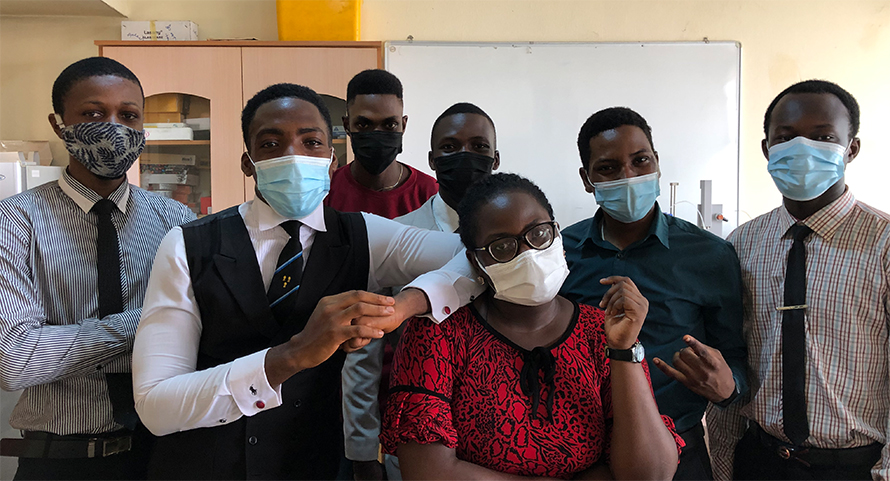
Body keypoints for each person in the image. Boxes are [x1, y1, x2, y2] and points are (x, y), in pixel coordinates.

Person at [132, 83, 482, 480]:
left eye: (311, 141)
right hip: (202, 463)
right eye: (270, 144)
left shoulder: (365, 236)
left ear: (333, 158)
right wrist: (292, 355)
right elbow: (156, 405)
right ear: (248, 162)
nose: (293, 156)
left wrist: (403, 306)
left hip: (310, 461)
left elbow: (482, 259)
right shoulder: (187, 245)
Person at [381, 172, 682, 480]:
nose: (528, 253)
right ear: (476, 262)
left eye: (538, 234)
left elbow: (650, 474)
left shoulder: (601, 332)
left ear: (558, 234)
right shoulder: (438, 334)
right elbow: (428, 472)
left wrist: (624, 351)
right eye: (502, 247)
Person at [0, 57, 195, 480]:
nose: (113, 127)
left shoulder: (176, 220)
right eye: (92, 113)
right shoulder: (15, 221)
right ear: (59, 124)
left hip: (164, 452)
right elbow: (13, 360)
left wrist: (64, 343)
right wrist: (153, 321)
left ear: (142, 128)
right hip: (60, 460)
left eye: (128, 115)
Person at [706, 80, 890, 481]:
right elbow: (734, 356)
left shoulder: (884, 242)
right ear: (767, 148)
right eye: (786, 138)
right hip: (762, 460)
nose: (803, 150)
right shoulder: (742, 243)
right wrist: (723, 463)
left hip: (856, 467)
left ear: (851, 148)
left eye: (823, 137)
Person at [559, 107, 747, 480]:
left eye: (640, 161)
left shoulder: (709, 255)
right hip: (582, 456)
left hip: (680, 453)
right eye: (608, 168)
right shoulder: (559, 253)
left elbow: (736, 361)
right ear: (587, 178)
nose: (628, 176)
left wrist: (728, 386)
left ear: (657, 163)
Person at [343, 102, 500, 480]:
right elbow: (364, 354)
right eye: (450, 147)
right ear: (431, 159)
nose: (464, 157)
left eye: (479, 147)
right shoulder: (393, 237)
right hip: (417, 435)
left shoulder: (521, 235)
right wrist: (363, 450)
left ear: (496, 159)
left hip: (503, 431)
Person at [325, 69, 438, 218]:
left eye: (390, 125)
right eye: (364, 125)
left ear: (403, 125)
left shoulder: (430, 193)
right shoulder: (325, 192)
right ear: (347, 126)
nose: (377, 134)